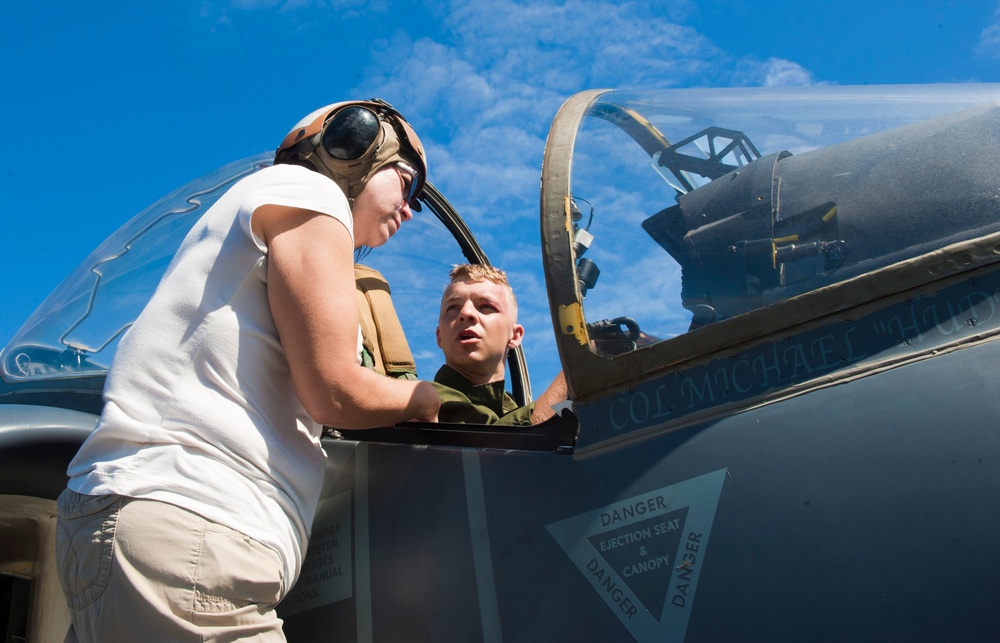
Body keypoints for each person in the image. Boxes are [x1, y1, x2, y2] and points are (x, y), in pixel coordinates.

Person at [55, 99, 441, 641]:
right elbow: (334, 391)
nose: (410, 206)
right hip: (191, 529)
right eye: (408, 182)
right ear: (356, 147)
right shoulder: (309, 192)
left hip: (132, 521)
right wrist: (425, 399)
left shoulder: (257, 207)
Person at [433, 264, 566, 425]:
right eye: (453, 307)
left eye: (486, 306)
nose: (466, 313)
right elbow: (500, 444)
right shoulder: (425, 400)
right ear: (439, 336)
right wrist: (573, 374)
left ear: (515, 335)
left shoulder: (511, 408)